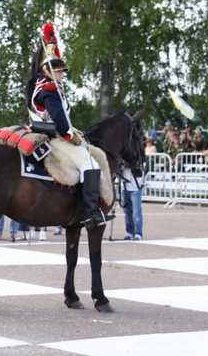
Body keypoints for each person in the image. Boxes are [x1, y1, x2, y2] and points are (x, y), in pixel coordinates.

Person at [25, 23, 113, 228]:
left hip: (50, 134)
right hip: (55, 137)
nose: (61, 74)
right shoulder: (49, 90)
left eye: (62, 71)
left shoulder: (40, 86)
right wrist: (69, 135)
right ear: (47, 70)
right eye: (57, 71)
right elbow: (59, 120)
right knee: (90, 164)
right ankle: (91, 214)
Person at [121, 166, 144, 241]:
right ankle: (130, 232)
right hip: (126, 190)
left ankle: (138, 233)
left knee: (136, 213)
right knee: (127, 213)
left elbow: (140, 172)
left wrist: (130, 169)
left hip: (135, 190)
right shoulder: (123, 164)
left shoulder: (137, 164)